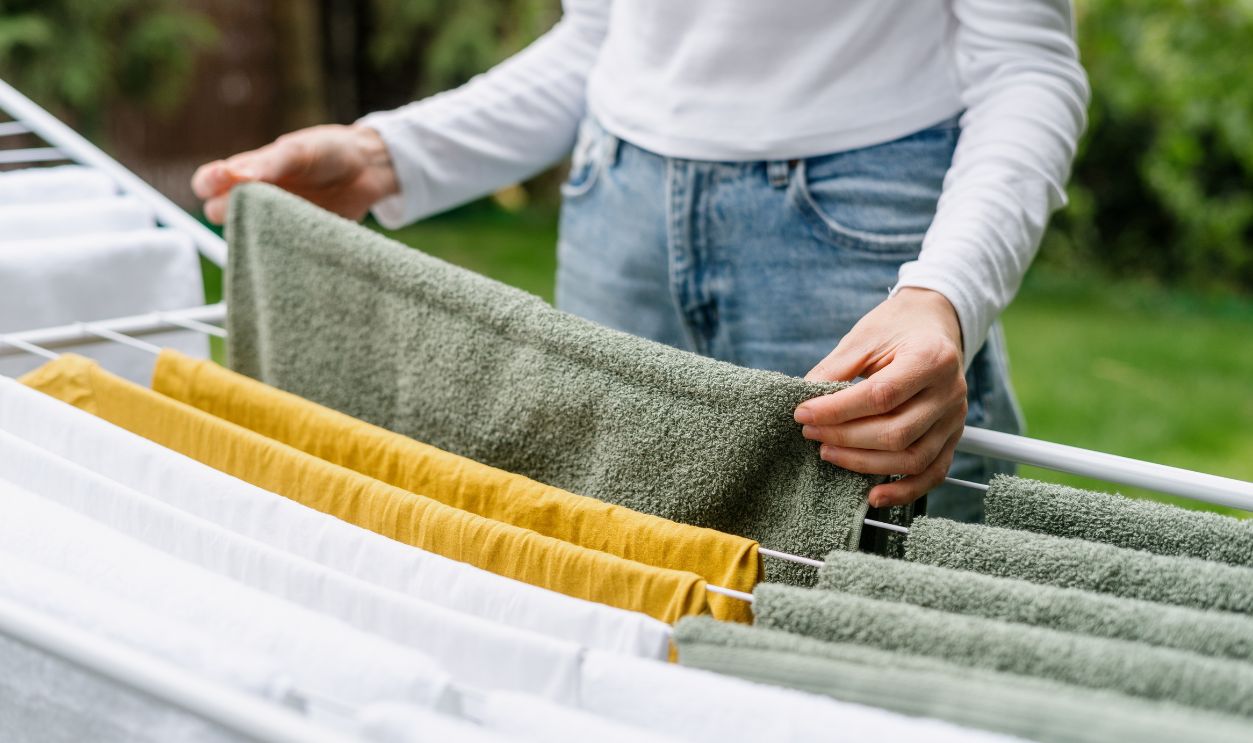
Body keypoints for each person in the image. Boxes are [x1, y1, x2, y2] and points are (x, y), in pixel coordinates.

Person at [193, 0, 1088, 522]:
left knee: (893, 603)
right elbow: (603, 39)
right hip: (613, 220)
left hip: (854, 245)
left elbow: (1024, 67)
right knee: (608, 579)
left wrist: (943, 297)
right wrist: (388, 155)